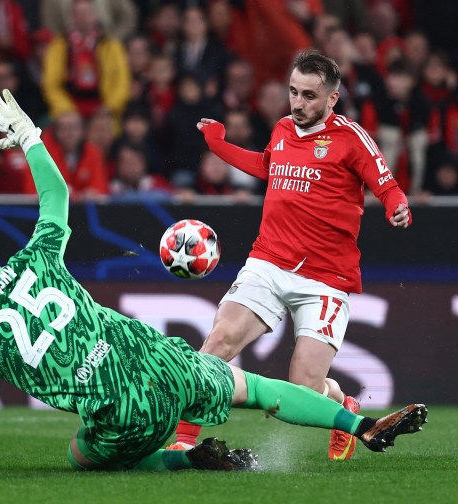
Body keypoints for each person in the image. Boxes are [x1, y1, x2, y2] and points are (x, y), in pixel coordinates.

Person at [0, 89, 427, 472]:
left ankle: (178, 462)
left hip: (117, 405)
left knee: (81, 455)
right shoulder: (36, 260)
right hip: (157, 358)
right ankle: (357, 425)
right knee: (260, 388)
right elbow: (57, 196)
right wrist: (29, 137)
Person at [167, 50, 413, 462]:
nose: (298, 104)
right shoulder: (282, 128)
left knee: (303, 389)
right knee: (219, 340)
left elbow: (386, 185)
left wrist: (396, 206)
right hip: (268, 262)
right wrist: (219, 145)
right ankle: (184, 439)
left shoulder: (351, 138)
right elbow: (267, 165)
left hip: (326, 279)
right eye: (293, 93)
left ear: (332, 100)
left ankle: (341, 403)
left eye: (310, 96)